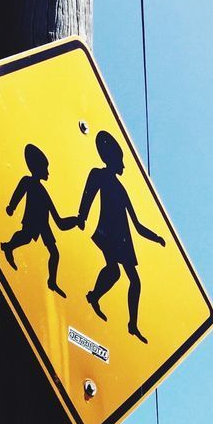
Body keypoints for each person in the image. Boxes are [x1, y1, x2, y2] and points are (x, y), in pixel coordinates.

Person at [77, 129, 165, 343]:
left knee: (134, 280)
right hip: (108, 233)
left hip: (123, 239)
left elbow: (137, 224)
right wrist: (82, 216)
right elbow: (88, 194)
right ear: (111, 158)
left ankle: (132, 324)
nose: (124, 165)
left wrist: (157, 238)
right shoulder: (98, 174)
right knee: (114, 272)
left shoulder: (121, 188)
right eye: (121, 160)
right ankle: (94, 296)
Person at [1, 143, 76, 296]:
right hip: (31, 220)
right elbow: (19, 192)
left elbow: (59, 221)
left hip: (44, 225)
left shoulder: (44, 192)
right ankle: (8, 246)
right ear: (37, 168)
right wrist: (11, 206)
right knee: (25, 237)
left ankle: (52, 281)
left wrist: (76, 220)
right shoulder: (28, 181)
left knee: (54, 253)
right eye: (45, 168)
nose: (48, 172)